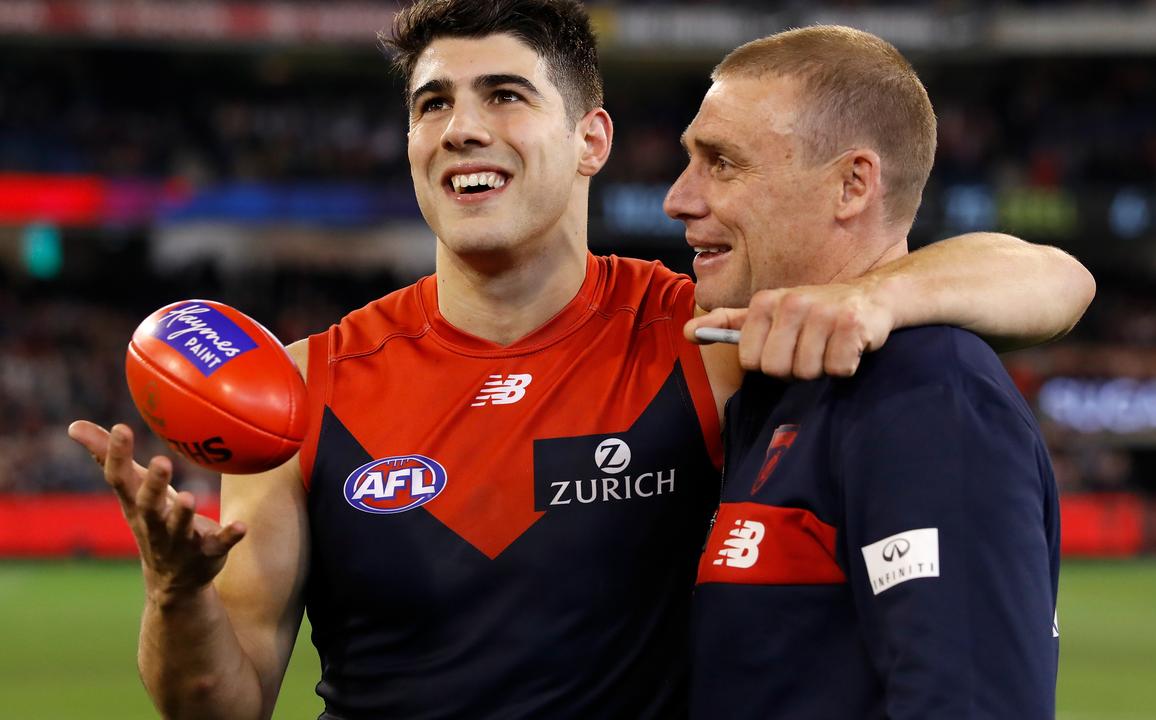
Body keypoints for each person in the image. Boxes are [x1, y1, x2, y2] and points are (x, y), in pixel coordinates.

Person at [68, 2, 1091, 718]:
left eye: (505, 94)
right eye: (431, 103)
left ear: (590, 137)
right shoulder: (294, 389)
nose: (462, 127)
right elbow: (220, 703)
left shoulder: (700, 337)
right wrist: (173, 594)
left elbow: (1045, 277)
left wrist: (870, 298)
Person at [671, 26, 1064, 719]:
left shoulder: (927, 390)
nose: (679, 198)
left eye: (723, 164)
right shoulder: (779, 385)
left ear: (852, 185)